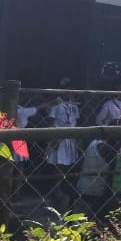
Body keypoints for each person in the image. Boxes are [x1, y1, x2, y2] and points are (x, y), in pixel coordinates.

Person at [45, 79, 81, 211]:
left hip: (70, 140)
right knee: (57, 167)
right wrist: (53, 138)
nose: (69, 93)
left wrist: (77, 140)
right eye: (67, 90)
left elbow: (76, 123)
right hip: (58, 138)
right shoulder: (56, 105)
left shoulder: (74, 106)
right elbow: (51, 123)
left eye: (71, 91)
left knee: (66, 167)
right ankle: (57, 192)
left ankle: (62, 191)